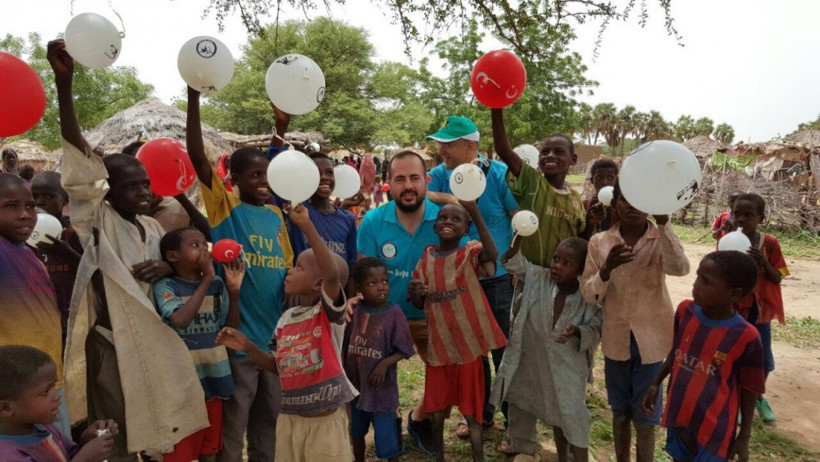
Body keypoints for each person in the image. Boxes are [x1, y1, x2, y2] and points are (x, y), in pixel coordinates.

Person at [49, 40, 207, 460]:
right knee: (117, 431)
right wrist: (65, 85)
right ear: (108, 191)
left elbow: (180, 270)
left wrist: (168, 270)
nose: (142, 191)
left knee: (158, 427)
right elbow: (80, 164)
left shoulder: (154, 226)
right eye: (131, 185)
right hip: (113, 343)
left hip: (155, 339)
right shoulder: (97, 220)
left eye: (146, 183)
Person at [186, 87, 293, 462]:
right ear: (234, 179)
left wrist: (280, 128)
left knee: (269, 422)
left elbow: (287, 270)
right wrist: (194, 95)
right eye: (254, 176)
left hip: (274, 343)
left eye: (267, 176)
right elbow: (198, 157)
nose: (264, 182)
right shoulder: (225, 208)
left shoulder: (277, 216)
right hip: (238, 339)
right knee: (235, 424)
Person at [216, 203, 357, 462]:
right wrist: (247, 346)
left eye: (299, 268)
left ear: (319, 283)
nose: (290, 271)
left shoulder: (328, 315)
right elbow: (278, 365)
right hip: (290, 419)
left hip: (323, 423)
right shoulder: (286, 320)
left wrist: (306, 226)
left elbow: (333, 276)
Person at [581, 182, 690, 462]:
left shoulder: (658, 238)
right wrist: (607, 269)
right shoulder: (600, 242)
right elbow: (589, 294)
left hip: (652, 339)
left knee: (646, 412)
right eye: (625, 201)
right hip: (616, 336)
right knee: (619, 411)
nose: (632, 208)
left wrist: (665, 224)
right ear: (614, 203)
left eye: (639, 200)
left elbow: (680, 268)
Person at [425, 115, 518, 433]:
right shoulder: (440, 175)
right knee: (472, 352)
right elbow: (427, 193)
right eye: (440, 144)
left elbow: (517, 217)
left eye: (447, 144)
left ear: (469, 146)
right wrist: (453, 198)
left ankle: (511, 420)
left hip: (498, 278)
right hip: (461, 281)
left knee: (502, 350)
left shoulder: (498, 173)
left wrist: (517, 265)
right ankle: (481, 415)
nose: (441, 151)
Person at [357, 150, 453, 455]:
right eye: (400, 179)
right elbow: (363, 275)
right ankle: (392, 419)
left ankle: (419, 418)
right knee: (377, 378)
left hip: (433, 318)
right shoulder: (373, 221)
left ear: (427, 181)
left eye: (415, 178)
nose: (408, 185)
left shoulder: (445, 219)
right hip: (383, 321)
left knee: (449, 378)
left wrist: (451, 200)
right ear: (389, 183)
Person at [642, 251, 765, 462]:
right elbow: (677, 351)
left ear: (735, 294)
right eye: (698, 276)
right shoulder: (684, 311)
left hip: (715, 427)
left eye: (706, 282)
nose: (696, 285)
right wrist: (656, 382)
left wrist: (743, 437)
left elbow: (749, 389)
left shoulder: (746, 337)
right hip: (680, 413)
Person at [408, 202, 507, 462]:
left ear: (466, 229)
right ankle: (440, 456)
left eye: (456, 219)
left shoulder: (470, 252)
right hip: (440, 347)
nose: (448, 222)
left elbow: (492, 254)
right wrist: (416, 294)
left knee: (473, 413)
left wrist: (475, 211)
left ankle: (478, 456)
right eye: (443, 217)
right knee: (437, 408)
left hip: (468, 347)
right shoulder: (425, 259)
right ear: (435, 225)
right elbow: (420, 302)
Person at [491, 236, 601, 462]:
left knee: (570, 415)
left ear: (581, 270)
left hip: (566, 367)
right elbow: (512, 263)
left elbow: (597, 325)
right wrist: (517, 239)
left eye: (566, 263)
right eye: (556, 258)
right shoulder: (538, 277)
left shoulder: (586, 296)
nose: (557, 265)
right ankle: (533, 450)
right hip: (531, 361)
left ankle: (575, 457)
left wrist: (578, 331)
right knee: (527, 403)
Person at [153, 227, 246, 462]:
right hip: (181, 386)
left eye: (205, 245)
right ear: (173, 256)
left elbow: (229, 330)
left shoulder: (217, 284)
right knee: (180, 453)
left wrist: (233, 293)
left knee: (209, 450)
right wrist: (206, 280)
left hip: (214, 379)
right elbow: (180, 320)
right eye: (195, 246)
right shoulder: (166, 286)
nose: (204, 250)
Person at [0, 173, 69, 435]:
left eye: (30, 206)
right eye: (10, 206)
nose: (25, 214)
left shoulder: (28, 252)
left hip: (46, 379)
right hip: (16, 390)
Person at [490, 108, 586, 267]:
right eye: (545, 152)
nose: (550, 155)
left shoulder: (575, 197)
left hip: (566, 280)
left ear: (573, 159)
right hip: (532, 277)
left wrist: (593, 222)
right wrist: (496, 107)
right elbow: (504, 151)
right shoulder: (532, 183)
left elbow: (580, 238)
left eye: (559, 152)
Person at [345, 257, 415, 462]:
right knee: (356, 432)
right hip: (356, 388)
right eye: (372, 283)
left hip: (381, 392)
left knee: (387, 442)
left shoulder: (394, 313)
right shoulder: (354, 311)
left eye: (384, 281)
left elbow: (405, 349)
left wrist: (384, 363)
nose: (381, 287)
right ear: (359, 287)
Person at [0, 345, 119, 462]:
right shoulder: (7, 454)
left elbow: (68, 456)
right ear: (6, 408)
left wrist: (86, 441)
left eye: (54, 386)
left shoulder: (43, 428)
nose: (57, 396)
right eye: (45, 392)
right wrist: (85, 458)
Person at [730, 193, 788, 423]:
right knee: (734, 355)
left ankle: (757, 397)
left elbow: (778, 278)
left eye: (748, 215)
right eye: (738, 214)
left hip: (759, 311)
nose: (742, 219)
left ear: (760, 218)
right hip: (735, 309)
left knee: (763, 359)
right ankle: (737, 398)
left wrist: (762, 262)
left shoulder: (770, 243)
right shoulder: (730, 239)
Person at [284, 152, 358, 297]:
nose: (324, 177)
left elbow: (351, 266)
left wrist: (349, 302)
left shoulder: (347, 219)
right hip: (303, 297)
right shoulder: (297, 212)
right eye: (316, 173)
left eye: (329, 172)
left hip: (334, 300)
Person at [30, 171, 84, 346]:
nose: (39, 201)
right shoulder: (22, 232)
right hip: (36, 313)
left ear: (66, 200)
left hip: (71, 312)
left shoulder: (76, 232)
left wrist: (67, 254)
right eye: (34, 196)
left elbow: (93, 269)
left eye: (49, 196)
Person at [583, 158, 619, 236]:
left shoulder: (622, 207)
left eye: (610, 178)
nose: (604, 183)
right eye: (599, 178)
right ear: (592, 180)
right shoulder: (584, 205)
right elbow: (581, 238)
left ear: (616, 180)